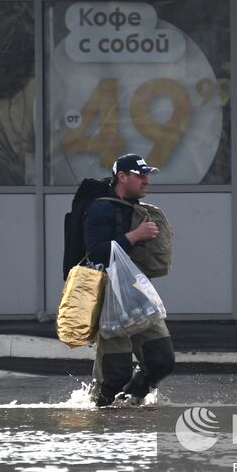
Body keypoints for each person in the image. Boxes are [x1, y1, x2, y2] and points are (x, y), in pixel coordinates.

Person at [84, 153, 176, 407]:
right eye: (140, 175)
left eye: (148, 175)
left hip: (137, 293)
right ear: (122, 177)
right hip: (110, 298)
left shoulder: (140, 210)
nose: (146, 180)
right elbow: (97, 252)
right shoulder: (100, 207)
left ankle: (131, 400)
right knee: (114, 373)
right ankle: (98, 414)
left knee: (162, 361)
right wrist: (135, 236)